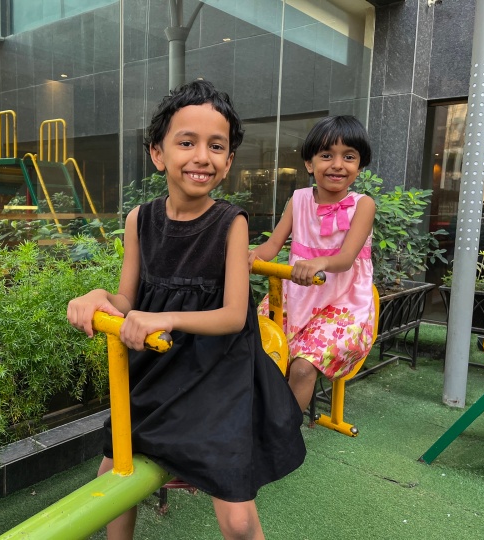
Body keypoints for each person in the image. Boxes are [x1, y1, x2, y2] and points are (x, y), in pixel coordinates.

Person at [67, 80, 306, 540]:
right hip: (155, 376)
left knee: (236, 519)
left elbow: (235, 315)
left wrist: (168, 318)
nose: (202, 156)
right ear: (158, 154)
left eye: (216, 146)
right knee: (111, 484)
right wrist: (99, 296)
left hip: (218, 382)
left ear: (229, 161)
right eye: (187, 142)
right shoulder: (141, 219)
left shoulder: (231, 223)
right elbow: (127, 301)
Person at [249, 115, 376, 414]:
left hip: (343, 302)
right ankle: (256, 419)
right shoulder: (299, 200)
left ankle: (283, 437)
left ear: (359, 166)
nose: (337, 164)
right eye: (326, 155)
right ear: (309, 163)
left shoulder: (363, 205)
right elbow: (271, 246)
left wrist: (318, 262)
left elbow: (345, 260)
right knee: (261, 352)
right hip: (298, 296)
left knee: (304, 367)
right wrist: (246, 256)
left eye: (349, 157)